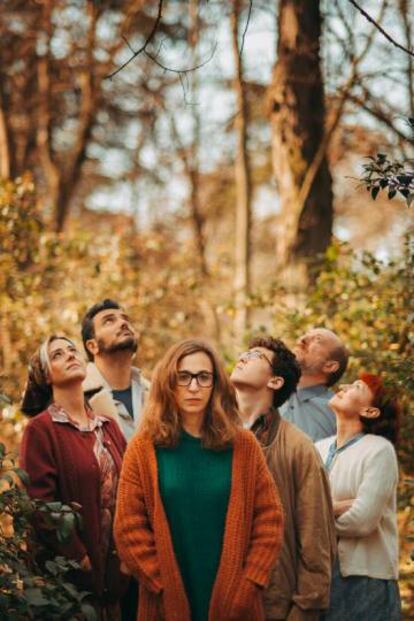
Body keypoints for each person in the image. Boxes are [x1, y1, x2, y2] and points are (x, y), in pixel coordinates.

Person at [114, 338, 284, 621]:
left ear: (216, 383)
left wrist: (248, 585)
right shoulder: (144, 446)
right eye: (183, 377)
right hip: (165, 604)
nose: (193, 387)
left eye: (203, 377)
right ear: (168, 382)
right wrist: (161, 586)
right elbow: (128, 527)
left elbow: (269, 519)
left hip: (236, 605)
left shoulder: (243, 445)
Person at [20, 335, 128, 619]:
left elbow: (132, 488)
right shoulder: (41, 430)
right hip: (73, 585)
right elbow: (40, 505)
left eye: (72, 350)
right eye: (57, 354)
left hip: (119, 577)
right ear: (45, 375)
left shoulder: (108, 427)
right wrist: (78, 557)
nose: (69, 355)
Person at [231, 335, 336, 621]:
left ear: (275, 382)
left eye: (256, 356)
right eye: (245, 351)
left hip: (273, 603)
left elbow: (316, 541)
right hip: (213, 598)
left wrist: (305, 610)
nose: (243, 356)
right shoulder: (207, 435)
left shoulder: (299, 448)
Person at [316, 373, 401, 621]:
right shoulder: (316, 448)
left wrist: (317, 517)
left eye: (357, 387)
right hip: (319, 577)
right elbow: (296, 510)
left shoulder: (379, 450)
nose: (343, 386)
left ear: (370, 412)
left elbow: (362, 521)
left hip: (367, 581)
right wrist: (340, 507)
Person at [81, 299, 149, 442]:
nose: (123, 323)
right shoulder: (77, 398)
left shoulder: (155, 393)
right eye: (109, 321)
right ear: (92, 346)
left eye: (125, 319)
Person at [280, 328, 349, 442]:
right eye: (305, 334)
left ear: (330, 366)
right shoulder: (268, 391)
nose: (302, 339)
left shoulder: (337, 413)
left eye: (317, 339)